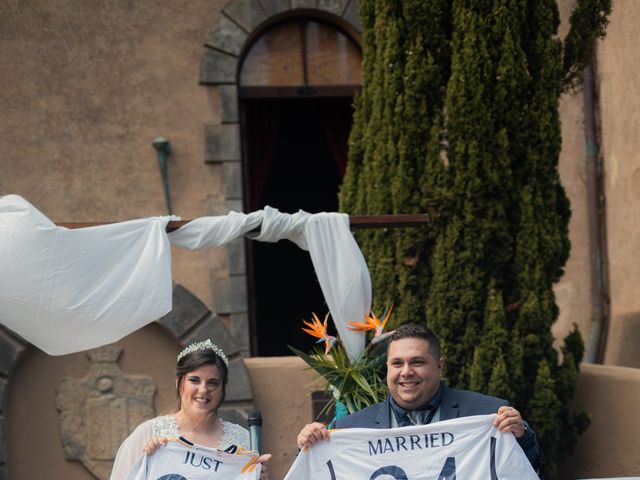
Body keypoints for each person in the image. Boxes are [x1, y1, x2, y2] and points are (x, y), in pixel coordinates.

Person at [296, 323, 543, 475]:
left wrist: (521, 434)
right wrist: (310, 449)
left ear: (439, 366)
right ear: (387, 369)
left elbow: (527, 471)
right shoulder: (347, 430)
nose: (406, 372)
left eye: (417, 362)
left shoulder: (488, 414)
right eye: (397, 363)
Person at [111, 339, 271, 479]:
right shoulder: (148, 435)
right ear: (179, 383)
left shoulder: (243, 441)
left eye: (213, 382)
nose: (203, 390)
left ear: (222, 388)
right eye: (194, 380)